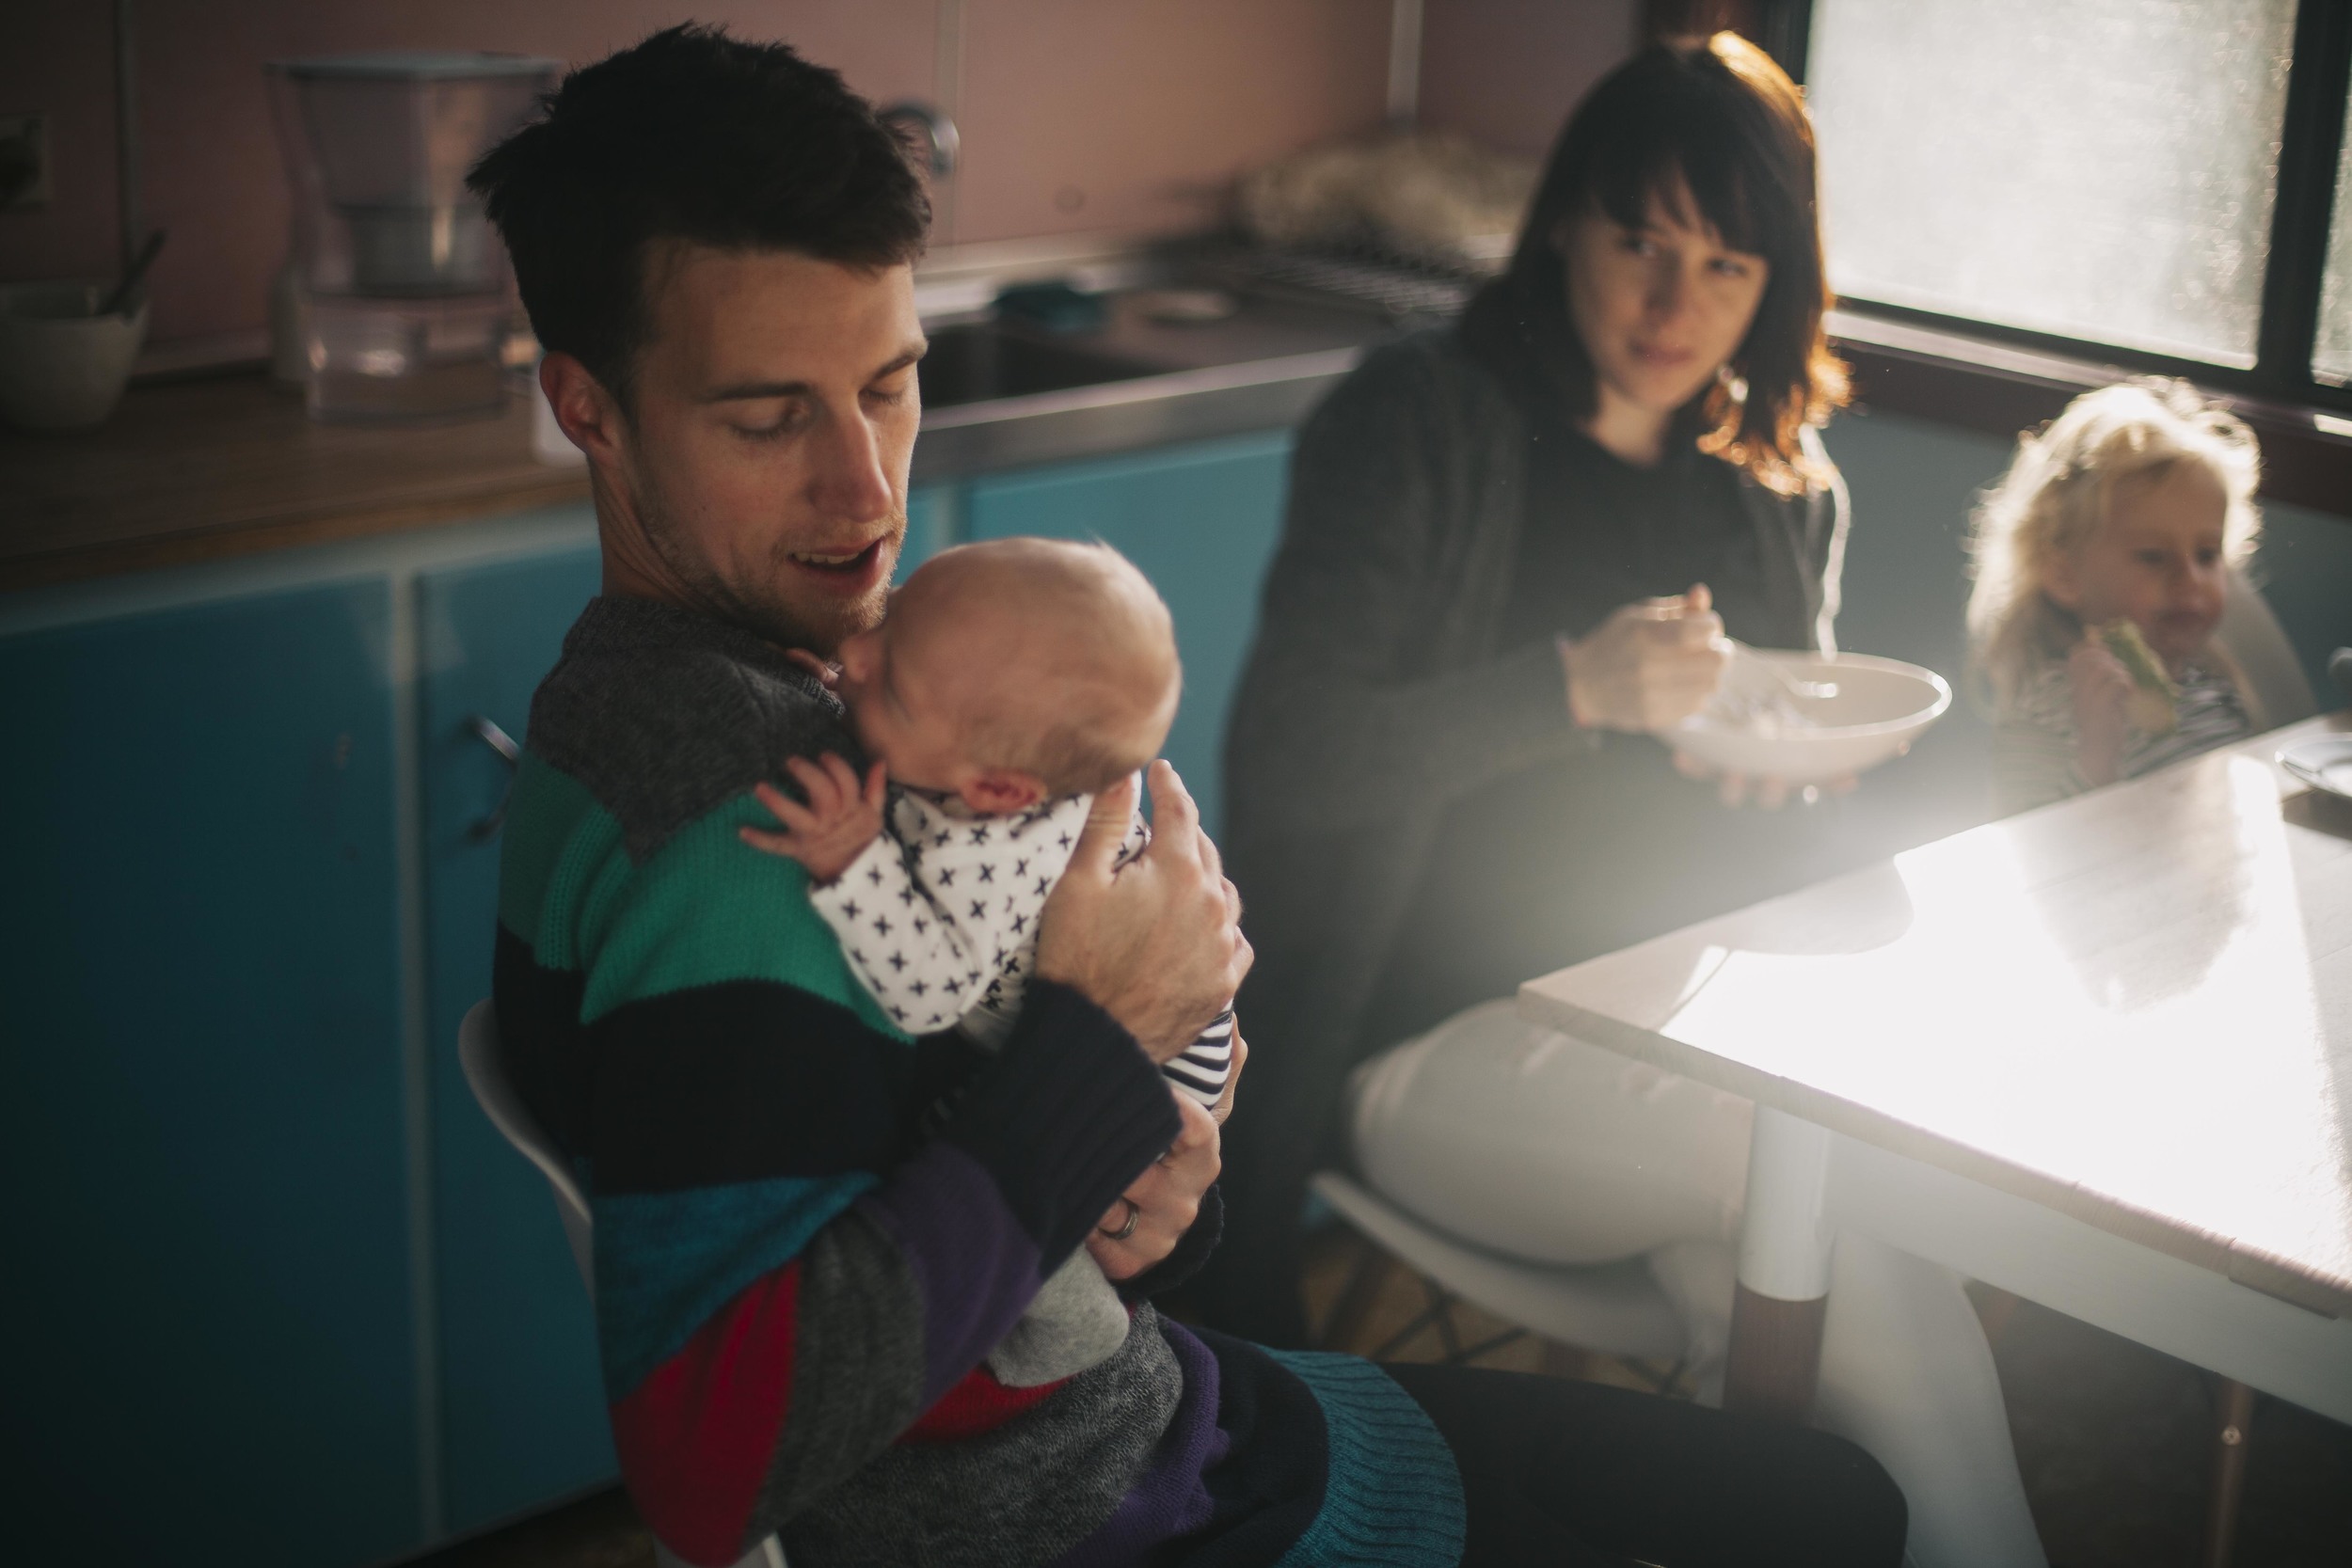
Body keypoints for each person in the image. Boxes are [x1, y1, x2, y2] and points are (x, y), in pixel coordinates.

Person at [472, 24, 1905, 1568]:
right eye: (767, 420)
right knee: (1826, 1515)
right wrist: (1100, 1042)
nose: (867, 490)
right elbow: (716, 1461)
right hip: (1161, 1511)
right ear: (590, 406)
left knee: (1826, 1492)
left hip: (1175, 1422)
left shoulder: (731, 704)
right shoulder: (751, 823)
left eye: (889, 388)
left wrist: (1150, 1124)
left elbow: (966, 1173)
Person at [1200, 32, 1857, 1352]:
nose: (1675, 306)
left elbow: (1791, 759)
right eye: (1641, 245)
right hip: (1423, 1026)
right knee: (1813, 1184)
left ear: (1775, 286)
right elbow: (1287, 755)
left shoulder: (1778, 486)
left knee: (1834, 1298)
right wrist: (1570, 687)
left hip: (1689, 1016)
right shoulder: (1420, 419)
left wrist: (1791, 772)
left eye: (1726, 265)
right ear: (1563, 226)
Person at [739, 537, 1236, 1390]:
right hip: (1127, 1015)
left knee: (963, 1139)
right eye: (890, 628)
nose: (854, 652)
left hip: (1157, 1066)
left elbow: (928, 990)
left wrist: (852, 862)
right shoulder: (978, 761)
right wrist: (865, 693)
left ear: (1000, 792)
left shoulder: (995, 854)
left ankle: (1068, 1328)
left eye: (890, 680)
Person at [1968, 378, 2263, 816]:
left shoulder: (2214, 690)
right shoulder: (2049, 711)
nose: (2190, 580)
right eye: (2153, 557)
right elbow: (2024, 852)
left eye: (2206, 554)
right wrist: (2096, 758)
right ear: (2065, 574)